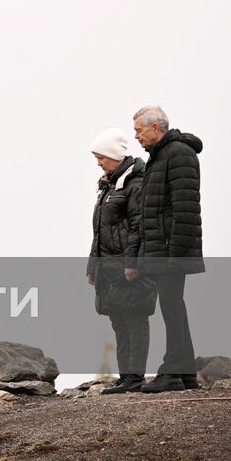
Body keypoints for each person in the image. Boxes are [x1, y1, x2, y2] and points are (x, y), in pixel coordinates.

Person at [132, 105, 204, 393]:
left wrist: (175, 254)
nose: (136, 136)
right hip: (163, 249)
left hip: (172, 250)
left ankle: (172, 372)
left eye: (139, 130)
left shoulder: (178, 154)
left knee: (172, 307)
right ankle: (185, 374)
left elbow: (185, 208)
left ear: (155, 128)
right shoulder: (160, 156)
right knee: (173, 306)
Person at [86, 127, 155, 393]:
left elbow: (140, 226)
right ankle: (125, 376)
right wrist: (93, 266)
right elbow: (99, 232)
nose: (98, 163)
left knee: (135, 318)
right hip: (108, 268)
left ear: (115, 155)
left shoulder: (135, 184)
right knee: (118, 320)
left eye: (101, 157)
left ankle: (135, 377)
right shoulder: (108, 186)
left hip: (128, 266)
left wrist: (133, 263)